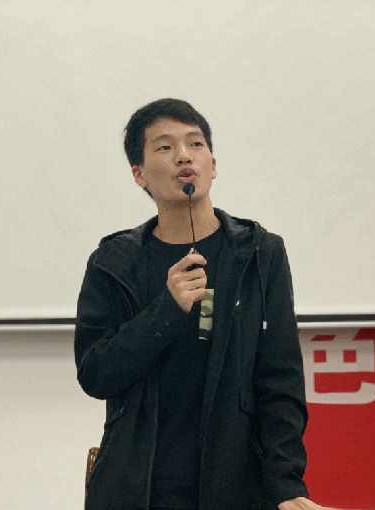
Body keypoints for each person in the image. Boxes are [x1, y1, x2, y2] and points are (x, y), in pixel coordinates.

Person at [75, 98, 330, 510]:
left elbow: (280, 379)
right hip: (138, 489)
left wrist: (287, 485)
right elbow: (96, 374)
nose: (183, 156)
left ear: (213, 164)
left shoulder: (259, 253)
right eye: (164, 147)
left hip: (235, 485)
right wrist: (166, 310)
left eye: (195, 144)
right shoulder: (115, 262)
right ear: (139, 174)